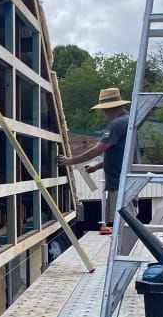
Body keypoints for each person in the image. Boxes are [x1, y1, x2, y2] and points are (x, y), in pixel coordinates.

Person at [57, 87, 135, 233]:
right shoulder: (128, 121)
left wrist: (69, 161)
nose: (104, 113)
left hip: (120, 184)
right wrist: (97, 167)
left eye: (104, 110)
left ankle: (120, 254)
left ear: (108, 108)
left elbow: (97, 150)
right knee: (121, 225)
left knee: (123, 227)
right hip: (123, 182)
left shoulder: (117, 124)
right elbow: (120, 156)